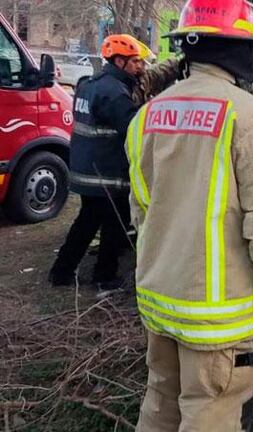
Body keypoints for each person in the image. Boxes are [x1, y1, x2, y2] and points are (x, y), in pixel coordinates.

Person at [128, 1, 253, 430]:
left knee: (160, 403)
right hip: (219, 320)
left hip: (160, 301)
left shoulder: (146, 117)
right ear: (237, 50)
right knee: (210, 414)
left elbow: (142, 210)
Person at [48, 34, 146, 291]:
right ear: (119, 61)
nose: (140, 67)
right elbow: (134, 128)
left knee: (88, 221)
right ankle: (104, 277)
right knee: (115, 224)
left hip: (86, 169)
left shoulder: (90, 84)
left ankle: (61, 272)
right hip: (106, 173)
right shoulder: (114, 93)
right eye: (135, 62)